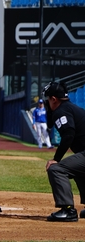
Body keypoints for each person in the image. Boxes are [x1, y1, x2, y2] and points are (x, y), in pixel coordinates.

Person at [42, 81, 85, 222]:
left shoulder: (61, 111)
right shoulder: (71, 108)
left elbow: (68, 134)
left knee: (56, 169)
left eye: (48, 99)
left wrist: (56, 159)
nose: (47, 103)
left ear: (54, 99)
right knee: (77, 169)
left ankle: (68, 210)